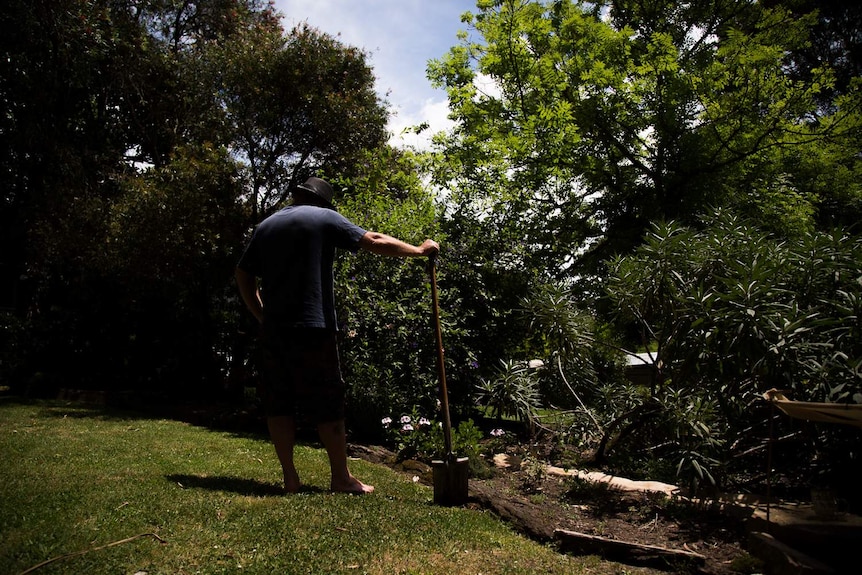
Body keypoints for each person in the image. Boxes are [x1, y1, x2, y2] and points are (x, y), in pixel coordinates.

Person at [235, 176, 439, 494]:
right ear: (323, 201)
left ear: (297, 196)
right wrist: (418, 250)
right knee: (328, 400)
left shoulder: (267, 225)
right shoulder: (324, 216)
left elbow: (243, 273)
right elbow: (373, 239)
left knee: (279, 402)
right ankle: (341, 478)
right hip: (313, 327)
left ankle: (290, 478)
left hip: (274, 331)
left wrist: (262, 314)